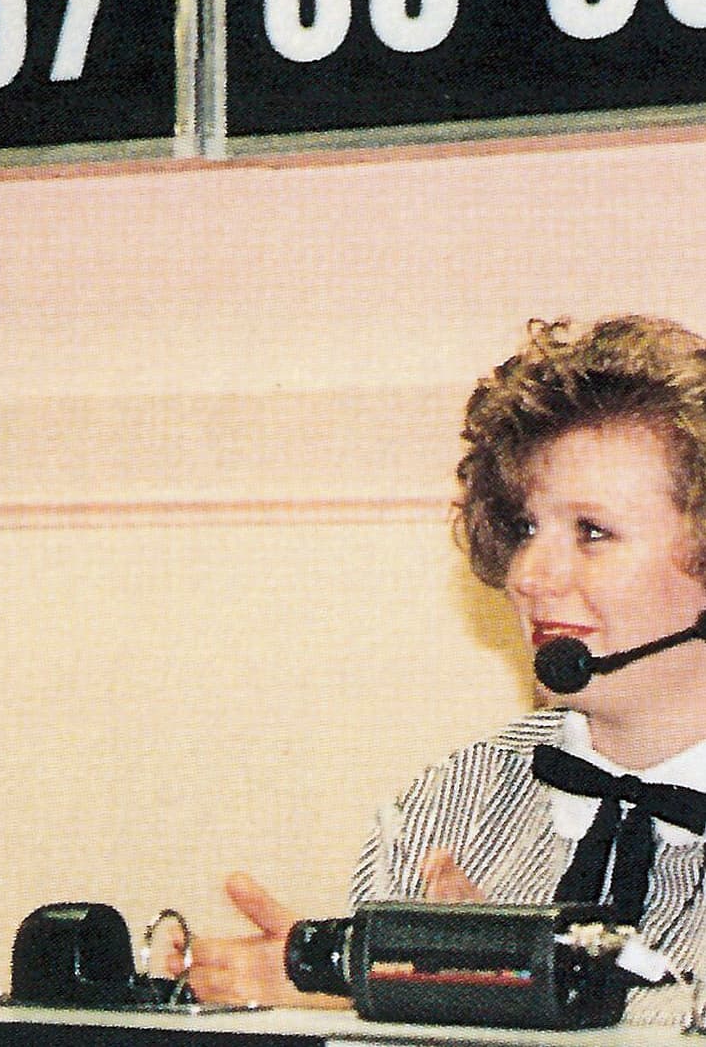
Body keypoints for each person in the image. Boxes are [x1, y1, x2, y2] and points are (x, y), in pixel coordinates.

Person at [188, 315, 706, 1024]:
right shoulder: (446, 803)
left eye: (592, 532)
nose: (529, 575)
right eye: (525, 528)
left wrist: (507, 986)